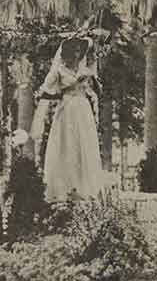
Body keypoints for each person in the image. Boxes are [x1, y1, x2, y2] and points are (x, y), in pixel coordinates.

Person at [30, 37, 111, 202]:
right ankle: (62, 189)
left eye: (79, 51)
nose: (77, 54)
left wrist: (94, 81)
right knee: (67, 144)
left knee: (84, 144)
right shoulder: (59, 70)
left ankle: (84, 188)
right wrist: (69, 87)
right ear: (66, 53)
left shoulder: (85, 70)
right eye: (74, 51)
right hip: (66, 109)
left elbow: (98, 92)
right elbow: (44, 92)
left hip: (82, 109)